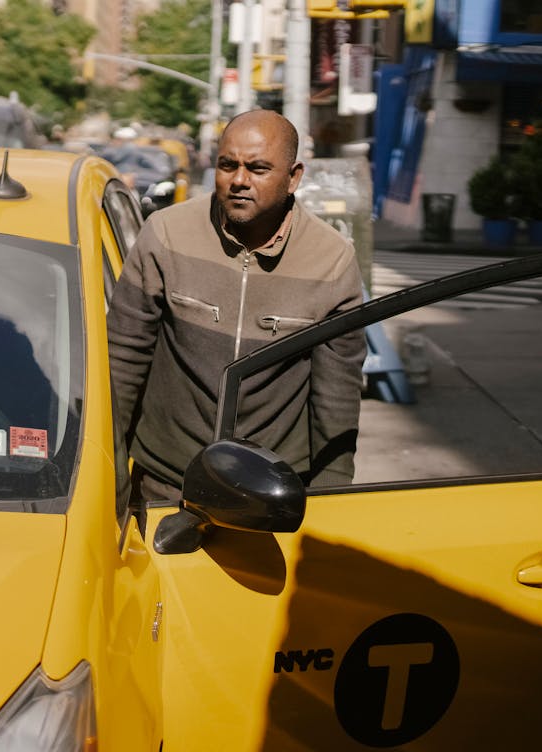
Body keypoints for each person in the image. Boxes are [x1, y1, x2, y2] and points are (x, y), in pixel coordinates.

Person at [108, 108, 366, 503]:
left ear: (293, 177)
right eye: (228, 165)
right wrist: (111, 479)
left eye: (258, 169)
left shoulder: (331, 261)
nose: (239, 181)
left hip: (272, 493)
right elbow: (121, 363)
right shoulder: (166, 233)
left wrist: (331, 505)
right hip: (162, 485)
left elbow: (336, 400)